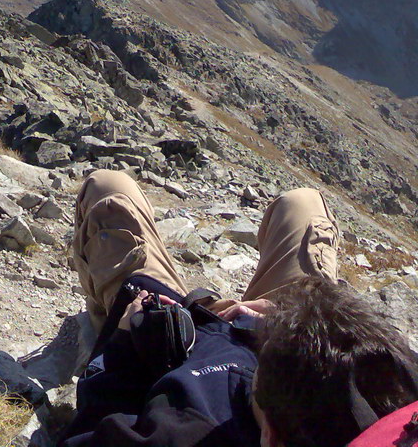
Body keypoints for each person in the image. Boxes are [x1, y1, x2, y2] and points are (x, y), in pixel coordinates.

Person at [58, 169, 418, 447]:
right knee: (303, 204)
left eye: (265, 355)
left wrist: (121, 347)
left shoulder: (182, 434)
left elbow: (89, 431)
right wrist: (292, 317)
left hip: (164, 336)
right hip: (301, 342)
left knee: (108, 189)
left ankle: (100, 311)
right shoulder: (399, 399)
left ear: (271, 437)